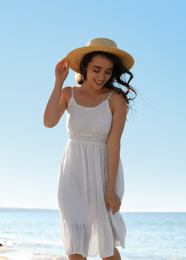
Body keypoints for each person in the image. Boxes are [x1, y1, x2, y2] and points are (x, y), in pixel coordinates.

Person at [43, 38, 136, 260]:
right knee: (75, 243)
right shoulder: (68, 94)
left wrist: (111, 189)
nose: (101, 77)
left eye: (107, 72)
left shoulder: (117, 100)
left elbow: (114, 145)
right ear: (85, 67)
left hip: (104, 173)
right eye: (96, 70)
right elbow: (48, 122)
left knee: (107, 246)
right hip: (72, 172)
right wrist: (58, 83)